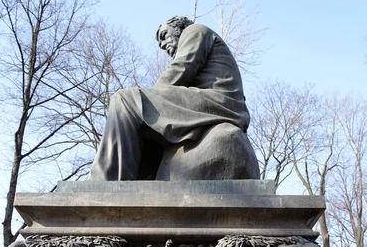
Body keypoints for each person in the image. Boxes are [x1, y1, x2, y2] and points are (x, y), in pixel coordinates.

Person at [88, 16, 257, 181]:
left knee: (126, 100)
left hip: (218, 102)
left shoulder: (195, 30)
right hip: (213, 104)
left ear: (178, 27)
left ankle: (102, 180)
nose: (162, 44)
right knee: (145, 126)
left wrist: (147, 100)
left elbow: (182, 67)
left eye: (163, 35)